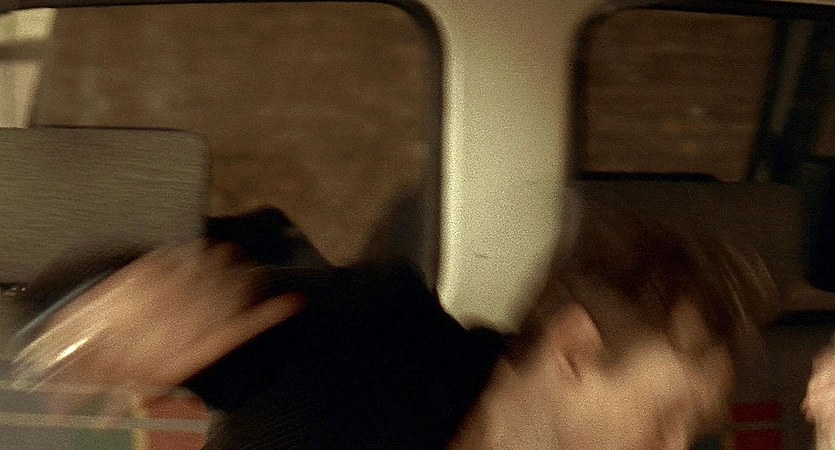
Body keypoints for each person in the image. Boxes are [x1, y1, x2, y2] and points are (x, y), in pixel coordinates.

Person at [7, 207, 777, 449]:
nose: (677, 447)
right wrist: (98, 311)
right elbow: (95, 299)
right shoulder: (379, 337)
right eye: (669, 415)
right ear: (574, 350)